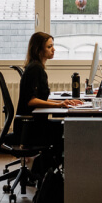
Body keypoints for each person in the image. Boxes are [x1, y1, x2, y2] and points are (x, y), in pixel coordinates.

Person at [16, 32, 82, 176]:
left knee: (64, 128)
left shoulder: (37, 67)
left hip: (32, 124)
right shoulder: (35, 69)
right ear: (39, 50)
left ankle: (44, 172)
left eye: (53, 46)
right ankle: (43, 173)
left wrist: (62, 102)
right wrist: (58, 105)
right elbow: (31, 101)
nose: (53, 49)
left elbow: (40, 99)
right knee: (68, 131)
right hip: (29, 128)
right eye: (49, 47)